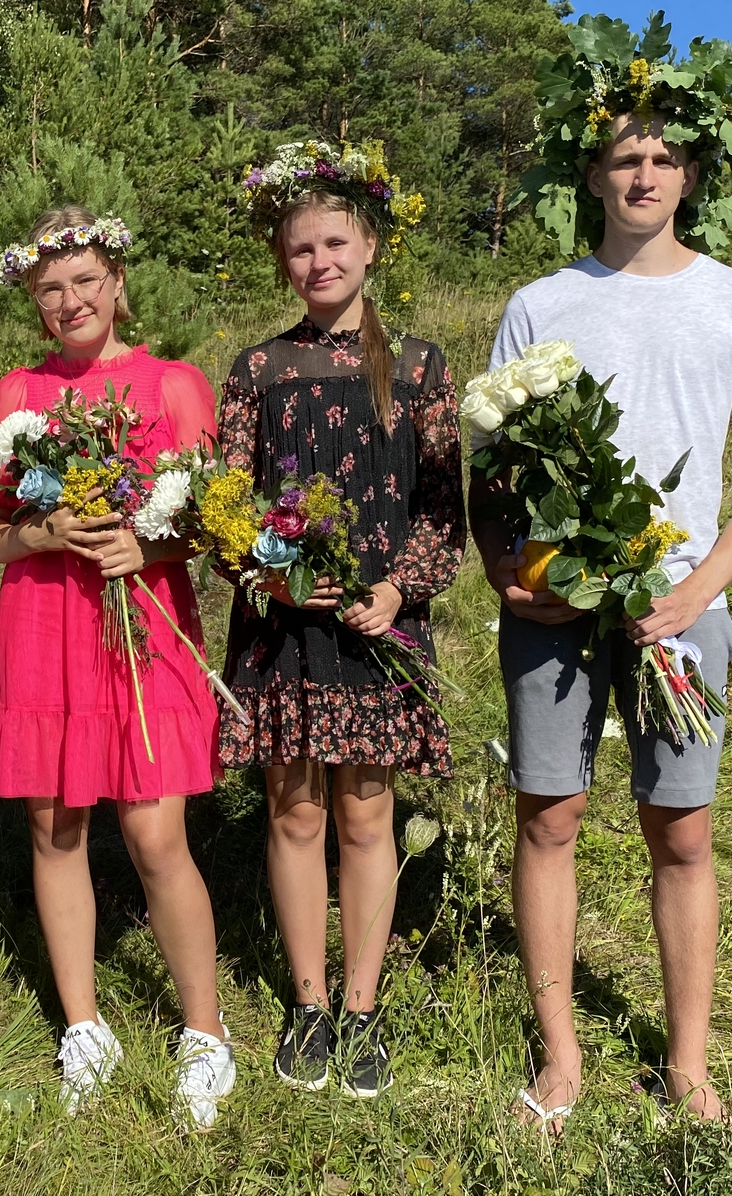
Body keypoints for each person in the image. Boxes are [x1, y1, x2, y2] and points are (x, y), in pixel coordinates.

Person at [478, 17, 732, 1132]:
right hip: (557, 604)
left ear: (692, 175)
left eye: (664, 157)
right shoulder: (541, 303)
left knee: (684, 831)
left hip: (682, 606)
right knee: (550, 817)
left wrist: (695, 593)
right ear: (593, 173)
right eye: (625, 156)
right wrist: (507, 570)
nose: (645, 174)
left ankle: (689, 1066)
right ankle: (561, 1058)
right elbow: (494, 469)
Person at [0, 207, 233, 1129]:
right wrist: (45, 530)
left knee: (156, 836)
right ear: (33, 300)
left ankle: (204, 1031)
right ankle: (83, 1028)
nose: (70, 300)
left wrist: (148, 548)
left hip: (142, 627)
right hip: (44, 627)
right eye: (50, 288)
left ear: (119, 282)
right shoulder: (17, 394)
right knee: (55, 831)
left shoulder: (174, 385)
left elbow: (212, 522)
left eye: (85, 280)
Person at [219, 141, 462, 1098]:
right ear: (282, 261)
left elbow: (442, 507)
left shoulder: (419, 365)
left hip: (379, 626)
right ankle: (308, 1003)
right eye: (300, 248)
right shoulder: (258, 369)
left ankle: (362, 1009)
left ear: (370, 248)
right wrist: (271, 580)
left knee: (366, 816)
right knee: (294, 812)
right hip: (283, 626)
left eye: (334, 243)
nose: (318, 261)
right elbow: (225, 510)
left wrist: (401, 589)